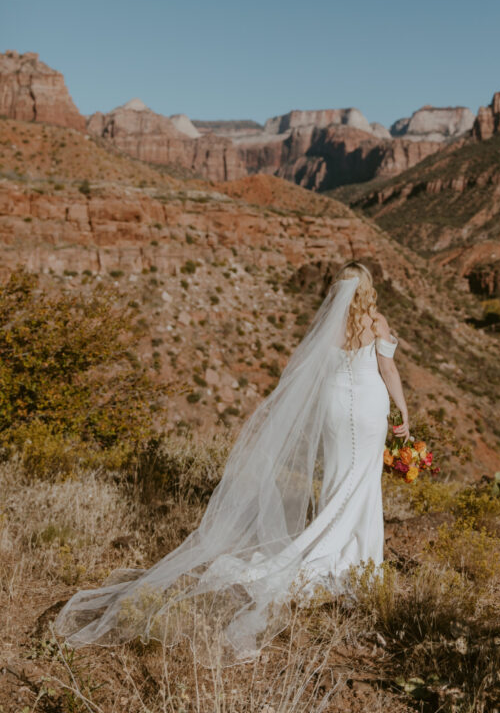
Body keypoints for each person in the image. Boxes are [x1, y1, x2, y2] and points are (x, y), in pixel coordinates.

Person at [54, 260, 410, 665]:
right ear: (366, 288)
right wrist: (403, 414)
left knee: (336, 480)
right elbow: (388, 369)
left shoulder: (331, 324)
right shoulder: (376, 322)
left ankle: (334, 546)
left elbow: (316, 372)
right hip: (367, 408)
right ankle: (358, 558)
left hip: (333, 408)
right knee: (363, 483)